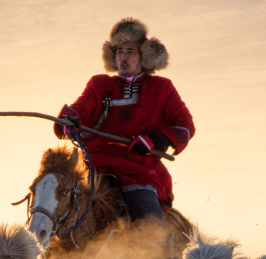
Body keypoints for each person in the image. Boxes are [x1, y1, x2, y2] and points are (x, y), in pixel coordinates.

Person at [55, 18, 194, 235]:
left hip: (138, 171)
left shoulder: (162, 88)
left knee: (153, 233)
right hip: (96, 171)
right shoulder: (99, 84)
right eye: (119, 51)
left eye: (130, 51)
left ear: (143, 56)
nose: (123, 57)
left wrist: (155, 139)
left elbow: (184, 126)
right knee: (54, 207)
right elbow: (78, 109)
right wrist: (69, 122)